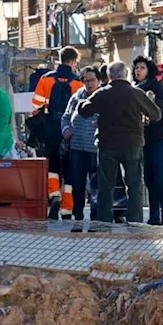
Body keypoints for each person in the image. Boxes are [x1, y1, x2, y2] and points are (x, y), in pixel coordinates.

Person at [78, 61, 161, 225]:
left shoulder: (102, 93)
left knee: (106, 186)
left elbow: (84, 111)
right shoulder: (136, 93)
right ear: (126, 75)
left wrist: (82, 101)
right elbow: (156, 114)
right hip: (133, 144)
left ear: (108, 76)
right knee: (134, 184)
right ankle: (135, 220)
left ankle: (104, 221)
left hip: (107, 145)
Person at [133, 56, 163, 225]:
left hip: (162, 137)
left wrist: (146, 102)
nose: (138, 70)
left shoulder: (156, 86)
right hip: (145, 139)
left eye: (142, 67)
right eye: (136, 67)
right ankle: (153, 217)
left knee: (159, 177)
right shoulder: (135, 89)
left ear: (149, 69)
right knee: (149, 179)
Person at [61, 66, 103, 230]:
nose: (89, 83)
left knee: (95, 187)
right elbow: (66, 117)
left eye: (92, 80)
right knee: (77, 186)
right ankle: (77, 219)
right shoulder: (76, 98)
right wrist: (65, 130)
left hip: (95, 150)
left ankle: (94, 221)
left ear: (99, 81)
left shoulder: (103, 97)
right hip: (77, 148)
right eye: (86, 80)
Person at [33, 47, 83, 181]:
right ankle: (68, 199)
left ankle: (53, 195)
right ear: (73, 61)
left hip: (50, 127)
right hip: (70, 129)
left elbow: (36, 104)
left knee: (52, 164)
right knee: (69, 165)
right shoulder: (78, 82)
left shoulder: (45, 78)